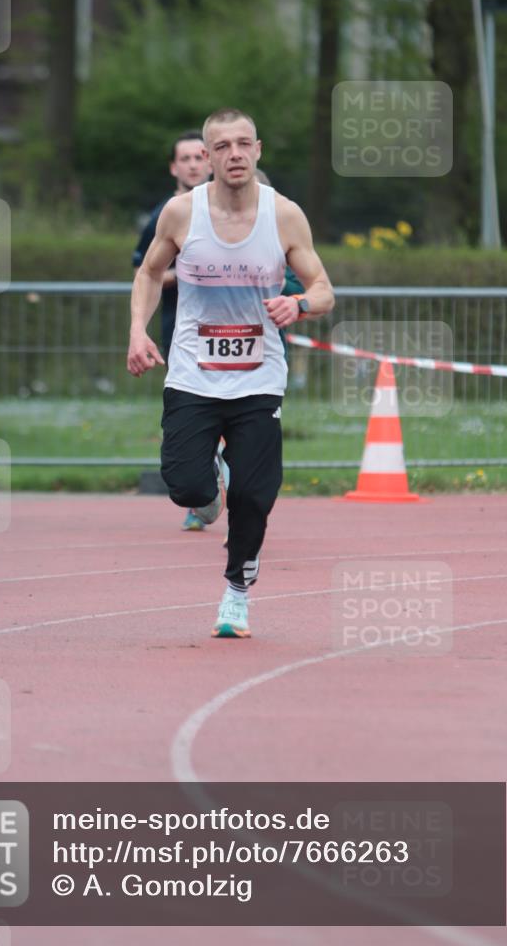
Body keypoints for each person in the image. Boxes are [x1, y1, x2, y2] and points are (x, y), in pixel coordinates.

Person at [127, 108, 335, 639]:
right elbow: (149, 272)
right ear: (208, 156)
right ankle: (210, 480)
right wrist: (138, 330)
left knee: (255, 495)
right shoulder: (180, 213)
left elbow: (323, 289)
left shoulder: (284, 214)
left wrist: (300, 305)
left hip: (258, 376)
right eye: (222, 146)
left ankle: (236, 594)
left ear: (258, 150)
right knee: (185, 486)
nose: (234, 154)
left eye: (243, 144)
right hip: (194, 372)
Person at [132, 130, 212, 532]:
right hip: (180, 328)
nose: (194, 164)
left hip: (233, 329)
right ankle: (201, 493)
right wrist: (183, 274)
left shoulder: (234, 210)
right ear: (173, 167)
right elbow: (143, 272)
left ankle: (222, 479)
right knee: (194, 411)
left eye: (201, 156)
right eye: (186, 158)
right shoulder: (166, 214)